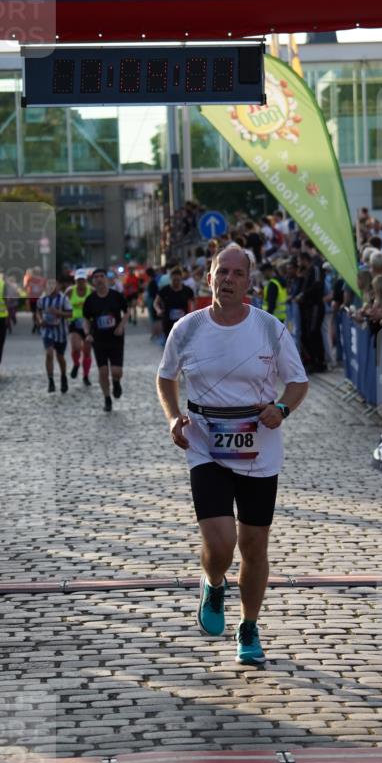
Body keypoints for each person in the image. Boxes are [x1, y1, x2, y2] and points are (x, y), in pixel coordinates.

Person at [156, 244, 308, 667]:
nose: (228, 279)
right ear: (209, 278)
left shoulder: (269, 328)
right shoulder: (186, 329)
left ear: (248, 282)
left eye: (237, 273)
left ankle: (249, 626)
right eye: (222, 272)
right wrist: (173, 418)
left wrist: (281, 409)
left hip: (259, 446)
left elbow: (298, 383)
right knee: (221, 543)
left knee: (254, 544)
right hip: (205, 443)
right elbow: (165, 378)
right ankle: (213, 580)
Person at [82, 268, 128, 413]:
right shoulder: (90, 300)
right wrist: (87, 333)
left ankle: (116, 382)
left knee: (116, 371)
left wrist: (121, 326)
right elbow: (86, 319)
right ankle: (107, 399)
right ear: (93, 281)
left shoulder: (116, 296)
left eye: (102, 276)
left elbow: (126, 312)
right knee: (102, 371)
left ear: (106, 279)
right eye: (96, 277)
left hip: (116, 338)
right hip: (98, 339)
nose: (99, 279)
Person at [37, 277, 72, 393]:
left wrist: (58, 313)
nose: (51, 287)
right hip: (47, 331)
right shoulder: (43, 298)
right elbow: (38, 310)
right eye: (49, 284)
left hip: (61, 332)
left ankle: (63, 377)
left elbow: (70, 314)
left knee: (60, 357)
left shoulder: (63, 299)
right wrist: (40, 319)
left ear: (59, 286)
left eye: (54, 284)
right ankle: (51, 381)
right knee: (49, 354)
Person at [66, 273, 93, 386]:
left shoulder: (91, 290)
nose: (80, 282)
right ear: (75, 281)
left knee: (86, 351)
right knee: (76, 347)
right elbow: (63, 303)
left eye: (82, 280)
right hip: (74, 323)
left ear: (86, 280)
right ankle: (76, 364)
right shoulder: (70, 291)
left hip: (88, 323)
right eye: (78, 280)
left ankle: (85, 376)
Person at [154, 266, 195, 339]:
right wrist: (158, 310)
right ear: (170, 278)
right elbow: (156, 302)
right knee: (170, 344)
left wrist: (192, 312)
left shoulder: (187, 290)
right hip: (168, 323)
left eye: (178, 280)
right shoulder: (165, 290)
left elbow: (193, 301)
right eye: (174, 280)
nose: (176, 282)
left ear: (181, 279)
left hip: (183, 323)